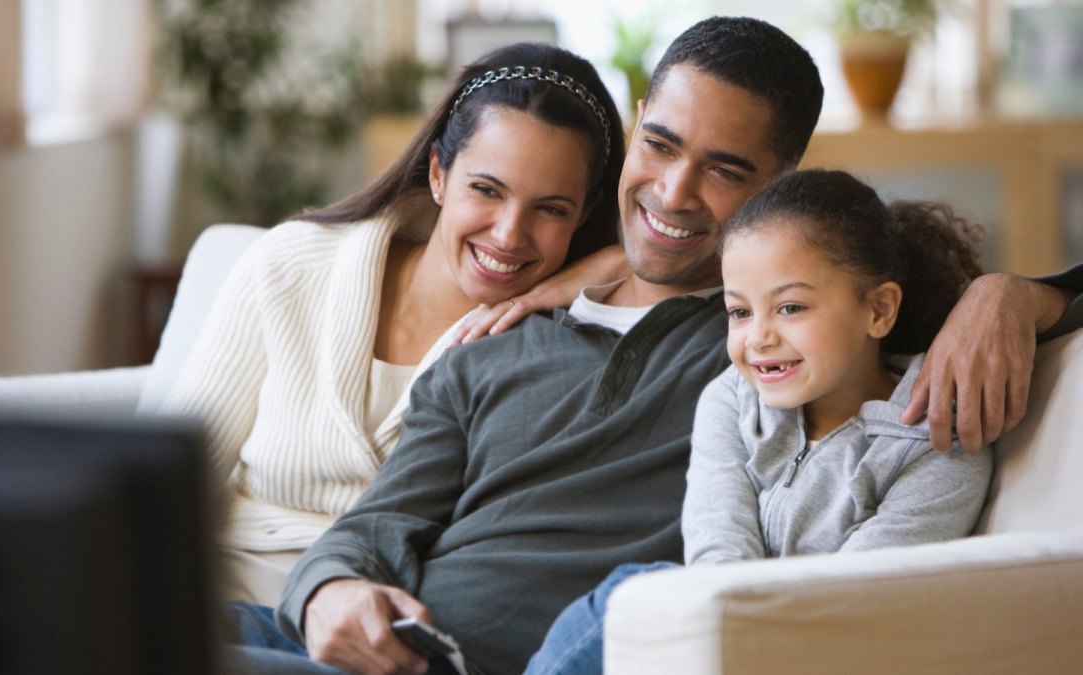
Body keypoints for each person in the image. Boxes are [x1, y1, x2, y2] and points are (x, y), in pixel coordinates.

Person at [223, 16, 1083, 675]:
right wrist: (333, 587)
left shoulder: (777, 346)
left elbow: (884, 313)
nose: (673, 190)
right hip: (382, 646)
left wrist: (1012, 293)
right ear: (635, 125)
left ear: (779, 186)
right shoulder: (495, 344)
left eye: (725, 169)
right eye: (661, 144)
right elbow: (378, 523)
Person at [156, 42, 626, 607]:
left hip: (386, 623)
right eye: (486, 189)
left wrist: (620, 261)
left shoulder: (560, 346)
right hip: (216, 597)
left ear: (585, 213)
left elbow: (736, 262)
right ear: (437, 174)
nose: (508, 234)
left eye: (551, 208)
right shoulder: (292, 265)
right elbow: (172, 481)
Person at [524, 168, 997, 675]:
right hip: (728, 640)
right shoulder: (730, 400)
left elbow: (858, 598)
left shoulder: (936, 441)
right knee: (629, 595)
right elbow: (716, 553)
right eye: (739, 312)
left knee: (632, 591)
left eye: (790, 307)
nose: (758, 338)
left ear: (879, 310)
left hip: (829, 654)